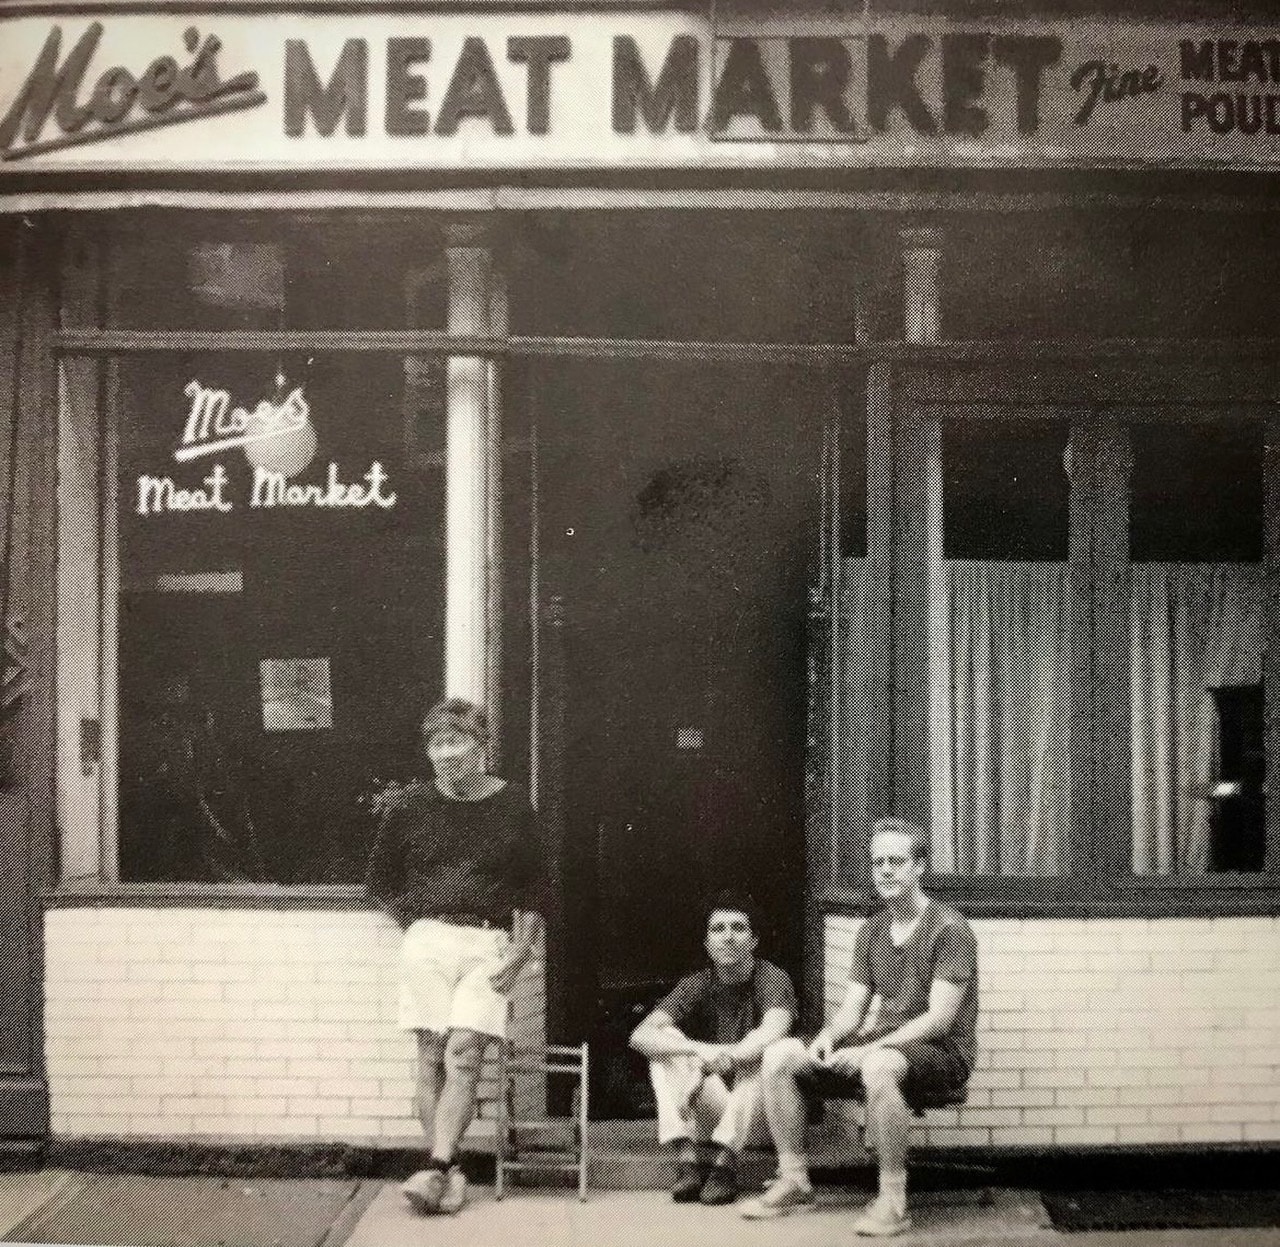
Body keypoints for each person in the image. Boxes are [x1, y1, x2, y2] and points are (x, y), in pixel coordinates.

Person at [741, 818, 977, 1237]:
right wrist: (827, 1038)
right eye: (877, 862)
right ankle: (794, 1179)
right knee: (780, 1055)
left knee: (879, 1065)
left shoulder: (950, 929)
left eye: (896, 862)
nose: (885, 870)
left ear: (919, 866)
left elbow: (938, 1020)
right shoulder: (871, 929)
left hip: (941, 1051)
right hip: (884, 1044)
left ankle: (892, 1199)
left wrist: (867, 1049)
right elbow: (852, 1010)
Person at [365, 697, 547, 1217]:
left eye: (457, 745)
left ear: (482, 747)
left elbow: (536, 887)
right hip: (427, 943)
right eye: (437, 747)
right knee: (430, 1055)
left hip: (488, 945)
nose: (446, 758)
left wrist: (520, 951)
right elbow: (380, 881)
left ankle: (437, 1169)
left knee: (465, 1051)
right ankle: (447, 1168)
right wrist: (418, 920)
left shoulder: (514, 806)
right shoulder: (409, 807)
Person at [629, 889, 797, 1206]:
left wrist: (707, 1065)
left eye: (738, 928)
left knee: (761, 1056)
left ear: (754, 940)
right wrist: (697, 1053)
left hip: (762, 1120)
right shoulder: (698, 982)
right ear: (707, 944)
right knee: (665, 1045)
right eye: (718, 929)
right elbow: (640, 1035)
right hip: (715, 1111)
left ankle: (725, 1165)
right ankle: (687, 1159)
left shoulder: (772, 979)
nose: (728, 937)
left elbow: (772, 1032)